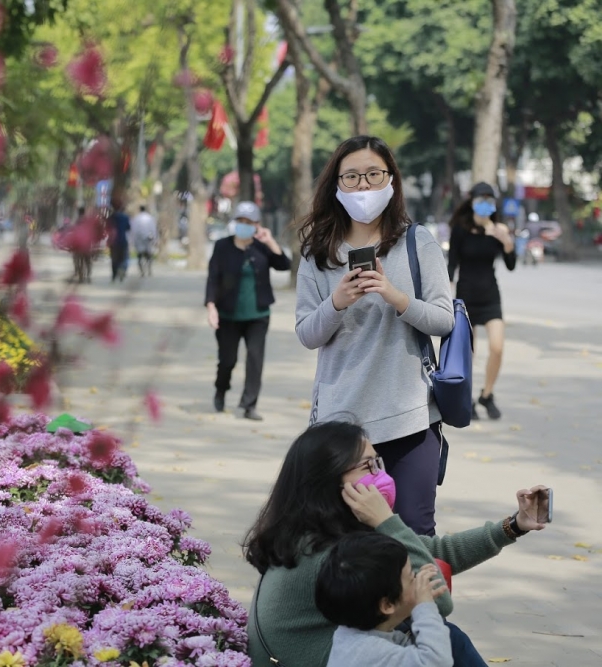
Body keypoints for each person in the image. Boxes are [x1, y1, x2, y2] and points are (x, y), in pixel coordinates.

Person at [243, 420, 550, 667]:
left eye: (379, 461)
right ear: (328, 481)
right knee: (441, 637)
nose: (381, 475)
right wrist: (386, 521)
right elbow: (435, 600)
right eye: (367, 467)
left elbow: (433, 552)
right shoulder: (327, 550)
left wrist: (513, 526)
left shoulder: (318, 527)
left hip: (327, 652)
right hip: (310, 659)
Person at [295, 135, 454, 537]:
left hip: (411, 418)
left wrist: (395, 296)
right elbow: (306, 334)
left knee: (415, 537)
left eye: (373, 174)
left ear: (391, 181)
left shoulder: (417, 243)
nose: (363, 185)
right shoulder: (319, 251)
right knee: (343, 540)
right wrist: (337, 301)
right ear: (336, 184)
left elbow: (443, 320)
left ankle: (422, 604)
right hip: (340, 423)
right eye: (351, 176)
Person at [205, 201, 290, 421]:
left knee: (255, 359)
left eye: (249, 222)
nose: (244, 226)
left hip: (258, 315)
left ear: (257, 225)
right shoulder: (222, 246)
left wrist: (270, 241)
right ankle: (221, 389)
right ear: (235, 223)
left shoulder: (262, 246)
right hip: (228, 315)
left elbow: (284, 264)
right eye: (240, 221)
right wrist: (211, 306)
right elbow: (213, 276)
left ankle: (249, 404)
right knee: (227, 360)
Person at [316, 532, 452, 667]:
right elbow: (437, 661)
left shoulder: (355, 636)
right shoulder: (366, 652)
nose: (417, 582)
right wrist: (425, 608)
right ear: (387, 605)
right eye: (412, 578)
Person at [447, 183, 516, 421]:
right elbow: (451, 264)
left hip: (490, 296)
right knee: (469, 353)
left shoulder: (498, 229)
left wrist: (507, 242)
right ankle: (467, 398)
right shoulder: (460, 229)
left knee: (497, 347)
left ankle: (487, 395)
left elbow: (511, 264)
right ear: (472, 201)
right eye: (481, 198)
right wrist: (446, 293)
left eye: (490, 199)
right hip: (465, 295)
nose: (485, 203)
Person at [130, 204, 158, 277]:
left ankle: (142, 271)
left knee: (140, 255)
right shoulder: (149, 218)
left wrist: (132, 240)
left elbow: (133, 230)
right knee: (148, 255)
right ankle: (149, 270)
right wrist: (155, 239)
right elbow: (153, 229)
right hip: (148, 238)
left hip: (139, 239)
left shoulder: (136, 218)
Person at [107, 201, 131, 282]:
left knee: (114, 258)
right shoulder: (125, 217)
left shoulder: (111, 217)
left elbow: (107, 228)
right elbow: (128, 228)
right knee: (123, 257)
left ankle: (114, 275)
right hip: (123, 240)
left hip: (113, 241)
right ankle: (122, 269)